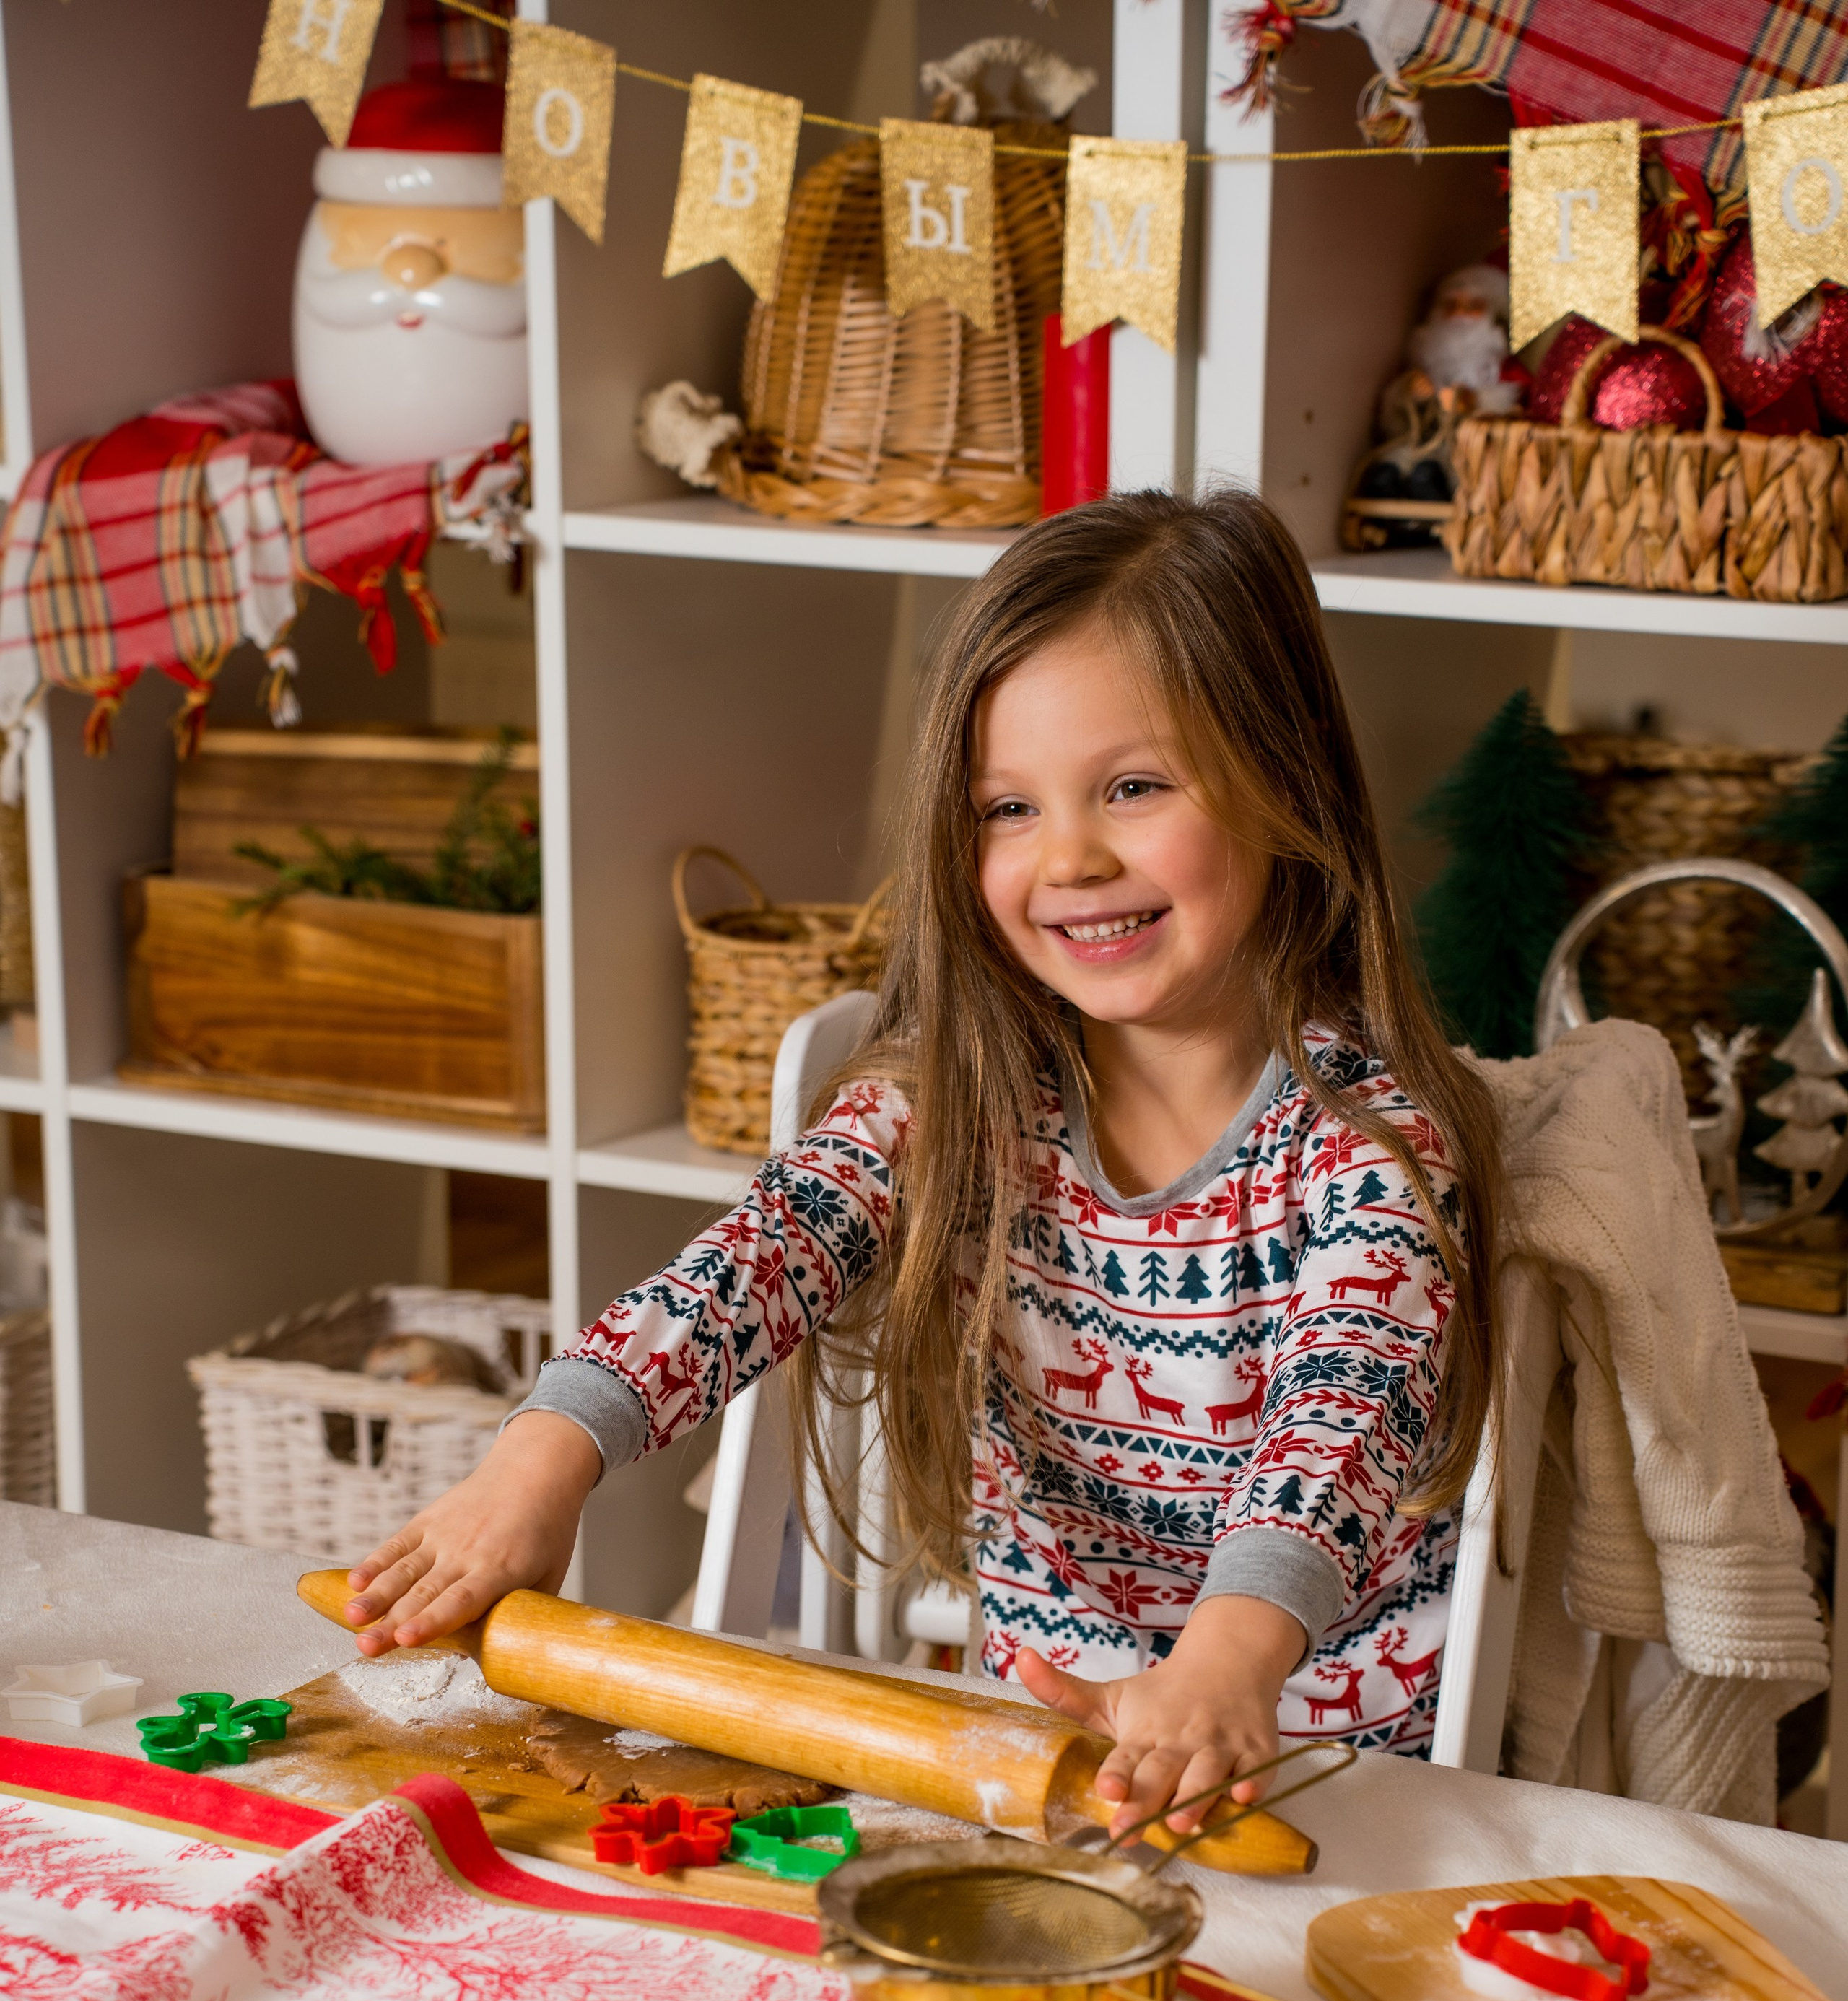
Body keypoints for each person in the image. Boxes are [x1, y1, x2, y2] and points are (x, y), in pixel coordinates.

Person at [346, 491, 1502, 1838]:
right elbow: (760, 1255)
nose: (1068, 856)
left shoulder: (1370, 1141)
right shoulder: (956, 1098)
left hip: (1315, 1761)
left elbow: (1338, 1424)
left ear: (1282, 773)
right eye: (1006, 807)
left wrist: (1228, 1660)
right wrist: (543, 1456)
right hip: (1024, 1750)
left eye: (1133, 787)